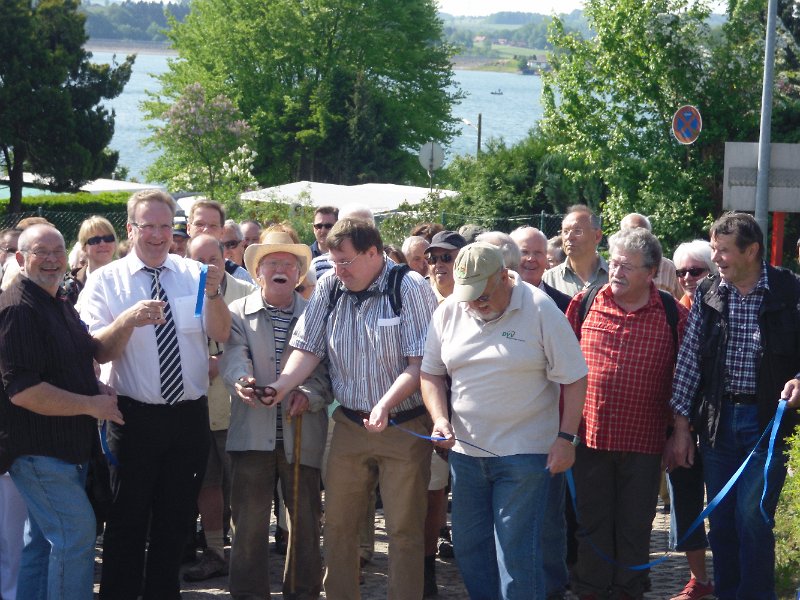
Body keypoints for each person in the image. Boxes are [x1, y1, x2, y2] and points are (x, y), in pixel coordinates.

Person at [259, 217, 438, 599]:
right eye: (333, 261)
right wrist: (280, 386)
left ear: (373, 253)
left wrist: (386, 405)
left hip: (404, 426)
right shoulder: (329, 286)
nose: (338, 270)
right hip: (349, 425)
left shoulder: (409, 286)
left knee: (403, 530)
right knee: (338, 525)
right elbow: (307, 348)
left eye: (345, 261)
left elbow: (419, 364)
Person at [80, 189, 231, 600]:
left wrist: (215, 294)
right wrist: (127, 321)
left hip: (188, 418)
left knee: (176, 522)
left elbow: (220, 334)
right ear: (131, 229)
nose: (158, 234)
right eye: (149, 226)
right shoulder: (104, 280)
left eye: (166, 226)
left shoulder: (193, 274)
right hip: (134, 417)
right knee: (127, 522)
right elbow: (98, 350)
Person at [420, 242, 588, 599]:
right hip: (465, 455)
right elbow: (431, 374)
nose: (475, 302)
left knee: (515, 552)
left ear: (503, 276)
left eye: (483, 292)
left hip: (525, 455)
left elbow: (574, 377)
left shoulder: (540, 308)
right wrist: (439, 418)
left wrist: (565, 439)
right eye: (469, 294)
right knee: (469, 546)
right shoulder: (450, 310)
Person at [666, 212, 800, 600]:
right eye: (714, 249)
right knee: (722, 521)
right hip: (718, 423)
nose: (716, 258)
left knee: (751, 518)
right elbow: (689, 361)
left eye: (723, 250)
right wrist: (680, 427)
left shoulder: (789, 291)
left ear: (752, 250)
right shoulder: (709, 293)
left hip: (766, 425)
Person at [0, 224, 130, 600]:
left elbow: (83, 357)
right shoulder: (18, 309)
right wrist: (92, 404)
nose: (53, 259)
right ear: (21, 259)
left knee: (42, 544)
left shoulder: (55, 302)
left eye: (58, 251)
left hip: (65, 450)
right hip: (40, 452)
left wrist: (95, 387)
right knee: (76, 536)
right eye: (42, 252)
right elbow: (23, 392)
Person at [566, 227, 688, 599]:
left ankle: (628, 593)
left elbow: (684, 376)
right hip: (590, 439)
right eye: (615, 263)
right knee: (590, 527)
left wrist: (679, 433)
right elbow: (561, 369)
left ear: (651, 272)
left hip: (645, 443)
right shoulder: (586, 302)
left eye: (627, 267)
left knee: (634, 528)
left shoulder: (669, 312)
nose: (616, 271)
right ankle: (590, 592)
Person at [221, 231, 333, 600]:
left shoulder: (317, 314)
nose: (281, 269)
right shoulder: (237, 313)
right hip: (251, 435)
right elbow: (233, 355)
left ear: (300, 274)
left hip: (303, 435)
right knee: (249, 526)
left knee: (304, 524)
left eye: (289, 264)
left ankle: (302, 594)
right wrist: (241, 381)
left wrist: (310, 395)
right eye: (272, 263)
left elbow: (327, 372)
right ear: (257, 273)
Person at [182, 234, 255, 582]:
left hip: (235, 403)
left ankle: (244, 552)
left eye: (213, 258)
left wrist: (220, 361)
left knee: (239, 483)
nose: (207, 266)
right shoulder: (181, 291)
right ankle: (214, 551)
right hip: (197, 404)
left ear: (224, 256)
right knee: (207, 483)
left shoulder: (244, 291)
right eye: (199, 260)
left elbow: (254, 344)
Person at [665, 240, 718, 600]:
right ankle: (698, 578)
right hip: (678, 423)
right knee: (685, 503)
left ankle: (730, 573)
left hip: (718, 425)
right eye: (681, 271)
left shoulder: (724, 307)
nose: (687, 278)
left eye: (695, 271)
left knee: (724, 503)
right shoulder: (671, 310)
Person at [420, 229, 467, 595]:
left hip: (474, 410)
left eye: (446, 257)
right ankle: (425, 566)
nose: (437, 264)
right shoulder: (418, 296)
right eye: (432, 257)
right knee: (434, 489)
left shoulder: (479, 297)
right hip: (429, 410)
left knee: (469, 492)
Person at [543, 204, 608, 297]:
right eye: (565, 231)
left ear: (597, 236)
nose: (569, 237)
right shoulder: (549, 279)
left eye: (577, 231)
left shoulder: (614, 277)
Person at [187, 199, 253, 283]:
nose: (206, 230)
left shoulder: (240, 277)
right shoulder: (175, 272)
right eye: (199, 224)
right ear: (188, 228)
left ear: (222, 231)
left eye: (213, 225)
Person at [619, 213, 683, 298]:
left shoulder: (669, 268)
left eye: (641, 232)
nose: (636, 237)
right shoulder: (613, 268)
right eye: (631, 232)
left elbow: (683, 302)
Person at [510, 225, 571, 311]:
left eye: (537, 253)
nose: (531, 259)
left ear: (546, 257)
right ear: (511, 256)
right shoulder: (494, 299)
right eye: (524, 252)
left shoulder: (564, 304)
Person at [64, 216, 118, 305]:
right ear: (83, 247)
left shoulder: (129, 278)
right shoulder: (71, 285)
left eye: (108, 239)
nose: (103, 244)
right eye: (95, 240)